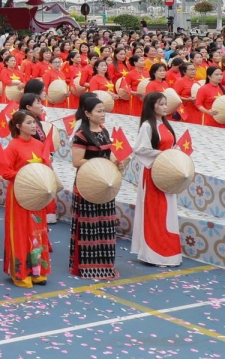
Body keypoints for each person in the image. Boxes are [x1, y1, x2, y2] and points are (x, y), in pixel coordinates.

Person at [0, 110, 54, 288]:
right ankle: (20, 272)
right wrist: (26, 176)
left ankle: (37, 270)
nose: (34, 126)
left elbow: (44, 166)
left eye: (34, 122)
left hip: (36, 194)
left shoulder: (39, 144)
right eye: (29, 123)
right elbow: (5, 171)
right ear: (18, 126)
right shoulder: (13, 146)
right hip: (19, 194)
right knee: (20, 231)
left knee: (37, 229)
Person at [69, 93, 123, 279]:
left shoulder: (104, 130)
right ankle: (87, 267)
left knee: (105, 224)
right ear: (87, 113)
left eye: (103, 111)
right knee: (89, 225)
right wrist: (100, 164)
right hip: (88, 183)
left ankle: (105, 266)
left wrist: (115, 162)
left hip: (105, 183)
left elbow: (109, 152)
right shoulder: (81, 135)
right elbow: (77, 161)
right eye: (99, 111)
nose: (103, 114)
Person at [131, 92, 182, 267]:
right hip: (153, 174)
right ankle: (154, 255)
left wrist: (175, 152)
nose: (164, 107)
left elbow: (170, 145)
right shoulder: (147, 126)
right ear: (151, 106)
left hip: (167, 173)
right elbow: (141, 149)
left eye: (165, 104)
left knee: (167, 214)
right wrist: (164, 154)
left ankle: (169, 253)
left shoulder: (165, 124)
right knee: (156, 213)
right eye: (161, 104)